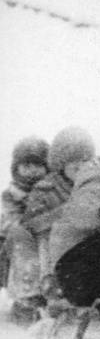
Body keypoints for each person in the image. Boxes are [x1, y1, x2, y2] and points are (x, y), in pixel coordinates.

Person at [44, 126, 100, 315]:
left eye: (83, 159)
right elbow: (86, 217)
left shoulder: (90, 178)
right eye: (72, 161)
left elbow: (84, 217)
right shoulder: (96, 178)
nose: (79, 165)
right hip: (76, 265)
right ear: (62, 166)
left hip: (72, 264)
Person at [3, 137, 54, 322]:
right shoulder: (11, 195)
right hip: (21, 242)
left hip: (48, 238)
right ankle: (27, 297)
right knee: (21, 237)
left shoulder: (53, 191)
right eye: (27, 166)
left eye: (38, 165)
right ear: (16, 169)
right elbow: (9, 220)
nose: (33, 171)